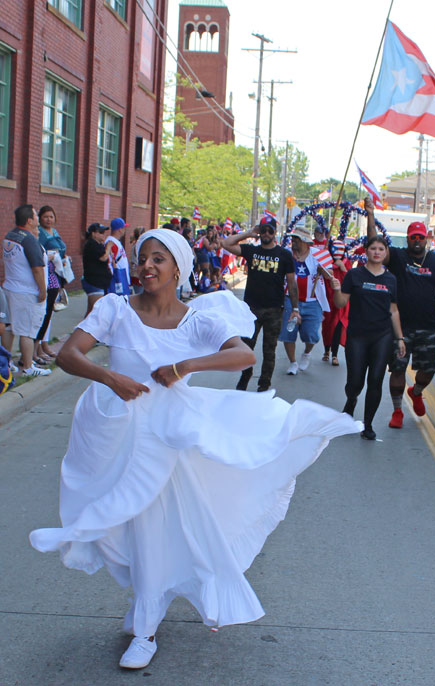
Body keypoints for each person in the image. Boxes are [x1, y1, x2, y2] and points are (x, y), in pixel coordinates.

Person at [29, 229, 360, 670]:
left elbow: (242, 355)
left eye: (158, 259)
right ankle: (151, 600)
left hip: (172, 439)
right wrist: (112, 378)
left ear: (178, 268)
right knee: (122, 529)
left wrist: (185, 365)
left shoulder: (196, 319)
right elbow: (69, 355)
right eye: (142, 257)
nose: (147, 266)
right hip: (120, 438)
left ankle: (145, 626)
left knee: (154, 530)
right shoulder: (114, 309)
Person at [366, 197, 435, 428]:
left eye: (421, 237)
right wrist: (370, 214)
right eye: (413, 237)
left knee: (428, 370)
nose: (417, 240)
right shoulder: (398, 257)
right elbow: (372, 242)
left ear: (427, 239)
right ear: (408, 238)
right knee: (397, 369)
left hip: (429, 327)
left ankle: (416, 391)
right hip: (400, 327)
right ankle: (397, 411)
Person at [332, 235, 406, 440]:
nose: (377, 252)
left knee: (375, 380)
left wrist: (400, 338)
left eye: (381, 249)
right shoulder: (355, 275)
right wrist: (337, 290)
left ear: (386, 253)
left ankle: (368, 425)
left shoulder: (390, 279)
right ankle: (351, 400)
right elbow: (340, 303)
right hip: (357, 335)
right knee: (355, 382)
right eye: (373, 248)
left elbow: (394, 310)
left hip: (382, 336)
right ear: (366, 251)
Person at [221, 217, 298, 391]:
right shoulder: (251, 250)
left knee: (269, 350)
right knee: (246, 348)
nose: (266, 234)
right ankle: (246, 374)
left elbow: (292, 284)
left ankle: (264, 384)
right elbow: (226, 243)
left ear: (275, 232)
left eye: (270, 230)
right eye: (263, 230)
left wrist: (295, 308)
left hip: (274, 309)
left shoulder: (284, 255)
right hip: (251, 309)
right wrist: (248, 233)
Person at [2, 204, 51, 377]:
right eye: (36, 215)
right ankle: (29, 366)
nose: (38, 218)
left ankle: (6, 363)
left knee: (9, 328)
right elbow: (37, 269)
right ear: (29, 220)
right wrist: (43, 290)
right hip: (27, 293)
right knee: (27, 331)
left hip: (9, 288)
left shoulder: (10, 235)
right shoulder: (29, 240)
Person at [278, 226, 334, 375]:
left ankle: (307, 353)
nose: (293, 241)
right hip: (290, 299)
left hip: (312, 301)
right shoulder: (287, 255)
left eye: (296, 239)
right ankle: (293, 362)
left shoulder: (319, 255)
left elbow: (330, 275)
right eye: (292, 238)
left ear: (304, 241)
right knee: (288, 332)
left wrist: (323, 270)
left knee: (312, 335)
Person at [35, 205, 67, 361]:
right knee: (43, 313)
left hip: (57, 275)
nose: (48, 219)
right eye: (45, 216)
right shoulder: (39, 233)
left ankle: (45, 344)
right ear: (40, 218)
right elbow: (39, 253)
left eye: (51, 216)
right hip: (46, 275)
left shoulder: (55, 232)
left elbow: (61, 250)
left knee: (49, 314)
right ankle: (38, 347)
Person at [322, 239, 351, 366]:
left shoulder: (347, 263)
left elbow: (350, 281)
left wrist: (343, 268)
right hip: (328, 299)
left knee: (338, 325)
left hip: (342, 300)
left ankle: (335, 354)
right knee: (328, 326)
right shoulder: (326, 263)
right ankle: (326, 350)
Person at [82, 223, 112, 316]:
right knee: (97, 312)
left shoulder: (97, 245)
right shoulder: (92, 244)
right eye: (101, 232)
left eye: (104, 232)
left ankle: (83, 329)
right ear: (93, 234)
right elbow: (103, 257)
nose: (104, 234)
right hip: (94, 282)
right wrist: (109, 247)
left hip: (99, 282)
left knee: (91, 312)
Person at [106, 217, 130, 296]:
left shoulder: (115, 242)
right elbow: (109, 262)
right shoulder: (112, 243)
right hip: (118, 278)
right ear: (120, 229)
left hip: (121, 276)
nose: (125, 230)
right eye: (124, 228)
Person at [130, 227, 146, 295]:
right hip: (137, 274)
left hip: (136, 273)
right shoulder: (138, 245)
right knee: (140, 294)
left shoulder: (136, 244)